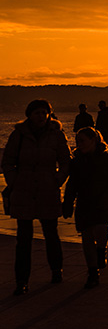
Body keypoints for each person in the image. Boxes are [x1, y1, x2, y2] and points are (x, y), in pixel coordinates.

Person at [2, 99, 71, 296]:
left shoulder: (56, 135)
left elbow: (66, 161)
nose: (41, 116)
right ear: (29, 115)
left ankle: (56, 270)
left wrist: (57, 180)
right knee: (23, 238)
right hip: (23, 191)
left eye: (44, 112)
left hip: (47, 190)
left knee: (51, 233)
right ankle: (21, 280)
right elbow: (7, 161)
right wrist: (14, 182)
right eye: (37, 113)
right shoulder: (19, 135)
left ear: (49, 114)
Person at [62, 127, 108, 289]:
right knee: (87, 237)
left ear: (93, 140)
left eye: (82, 140)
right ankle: (92, 272)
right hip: (84, 204)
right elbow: (72, 184)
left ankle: (102, 249)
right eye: (77, 141)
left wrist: (107, 197)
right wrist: (68, 203)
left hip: (103, 202)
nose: (79, 144)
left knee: (102, 229)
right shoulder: (76, 162)